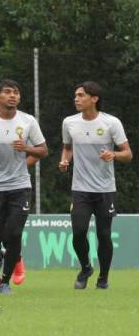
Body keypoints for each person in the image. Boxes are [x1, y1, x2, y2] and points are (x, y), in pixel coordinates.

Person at [59, 81, 132, 289]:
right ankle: (85, 268)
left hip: (105, 189)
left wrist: (114, 154)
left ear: (94, 99)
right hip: (80, 189)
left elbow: (127, 154)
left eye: (81, 95)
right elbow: (67, 147)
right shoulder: (69, 122)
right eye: (75, 95)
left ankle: (104, 277)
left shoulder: (111, 123)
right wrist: (65, 160)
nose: (76, 99)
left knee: (103, 234)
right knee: (79, 231)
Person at [0, 79, 48, 294]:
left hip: (20, 186)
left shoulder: (28, 121)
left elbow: (43, 151)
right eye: (8, 92)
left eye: (16, 92)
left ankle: (4, 282)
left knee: (13, 234)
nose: (13, 95)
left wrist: (27, 148)